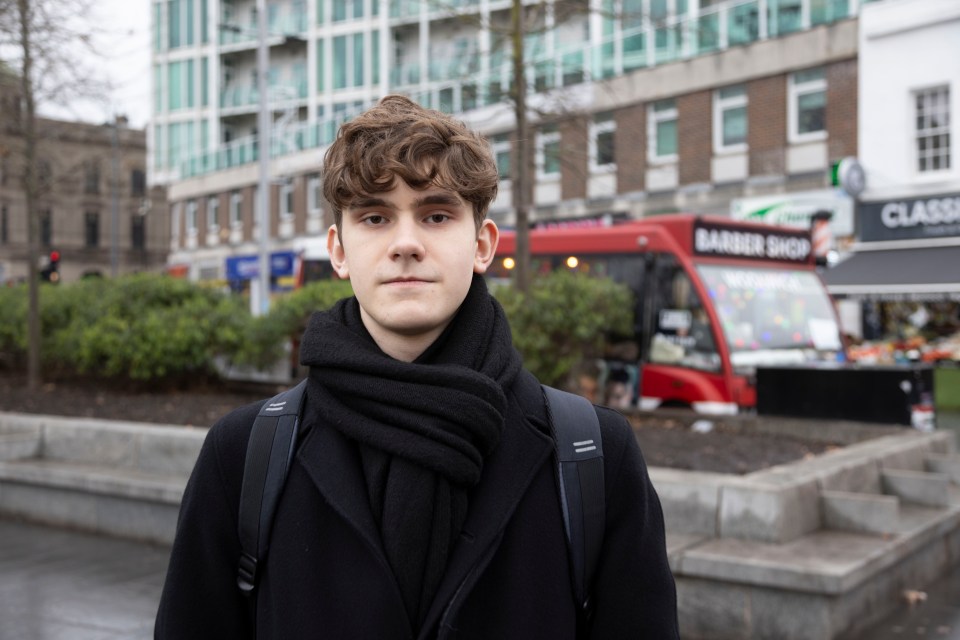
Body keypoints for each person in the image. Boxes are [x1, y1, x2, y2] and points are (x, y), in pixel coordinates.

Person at [155, 95, 679, 639]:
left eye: (436, 214)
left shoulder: (595, 454)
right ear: (338, 251)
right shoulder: (242, 456)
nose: (406, 244)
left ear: (482, 244)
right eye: (375, 216)